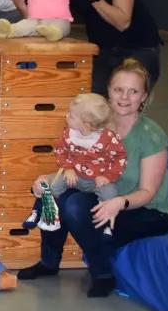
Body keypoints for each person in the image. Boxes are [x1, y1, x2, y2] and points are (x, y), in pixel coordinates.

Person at [17, 59, 168, 298]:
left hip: (143, 211)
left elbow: (148, 192)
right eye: (119, 89)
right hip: (102, 195)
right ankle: (49, 262)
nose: (125, 97)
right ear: (108, 91)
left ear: (144, 97)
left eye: (133, 91)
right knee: (55, 195)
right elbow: (76, 167)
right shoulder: (93, 125)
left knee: (76, 205)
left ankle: (102, 274)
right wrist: (45, 180)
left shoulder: (150, 135)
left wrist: (119, 203)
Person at [22, 93, 126, 236]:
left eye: (71, 116)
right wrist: (68, 167)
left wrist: (107, 176)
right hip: (74, 175)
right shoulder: (69, 133)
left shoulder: (108, 138)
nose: (66, 116)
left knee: (110, 194)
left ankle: (107, 226)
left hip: (97, 180)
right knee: (50, 185)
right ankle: (38, 210)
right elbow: (61, 150)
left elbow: (120, 158)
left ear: (86, 124)